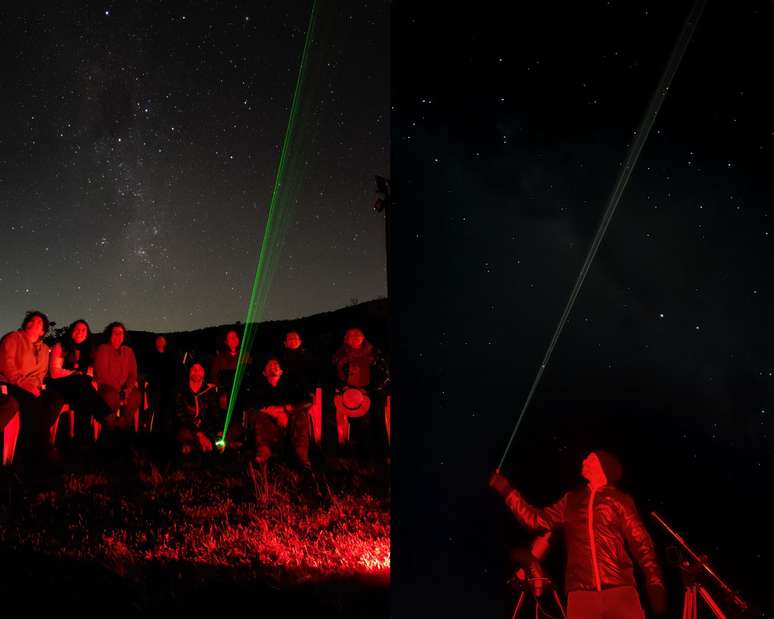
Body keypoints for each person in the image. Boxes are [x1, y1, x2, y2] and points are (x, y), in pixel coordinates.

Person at [489, 452, 667, 619]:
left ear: (603, 468)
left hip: (620, 592)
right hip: (581, 598)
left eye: (590, 460)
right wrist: (506, 491)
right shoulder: (571, 501)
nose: (583, 462)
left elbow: (641, 542)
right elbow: (535, 519)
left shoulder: (619, 500)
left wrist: (655, 582)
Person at [0, 311, 64, 461]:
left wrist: (36, 388)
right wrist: (26, 385)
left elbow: (41, 374)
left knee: (56, 399)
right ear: (25, 324)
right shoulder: (13, 338)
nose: (34, 323)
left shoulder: (44, 350)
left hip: (32, 387)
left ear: (43, 331)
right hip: (10, 382)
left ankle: (29, 438)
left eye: (39, 322)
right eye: (31, 320)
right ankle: (43, 448)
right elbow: (6, 365)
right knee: (31, 400)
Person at [47, 319, 112, 436]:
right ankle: (109, 419)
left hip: (80, 389)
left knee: (83, 394)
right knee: (82, 384)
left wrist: (82, 375)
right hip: (60, 386)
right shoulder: (61, 346)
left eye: (83, 330)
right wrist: (76, 374)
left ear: (87, 334)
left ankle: (82, 439)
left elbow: (90, 373)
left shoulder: (88, 351)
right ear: (71, 331)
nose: (80, 332)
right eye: (77, 329)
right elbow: (54, 372)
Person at [248, 357, 312, 470]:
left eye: (276, 365)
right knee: (260, 415)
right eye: (269, 366)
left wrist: (287, 410)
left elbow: (307, 400)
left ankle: (301, 455)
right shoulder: (258, 388)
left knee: (301, 415)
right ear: (264, 373)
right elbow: (253, 403)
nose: (273, 367)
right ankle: (264, 451)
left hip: (289, 417)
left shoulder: (291, 386)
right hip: (268, 417)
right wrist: (274, 412)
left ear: (281, 372)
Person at [93, 322, 140, 430]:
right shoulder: (103, 348)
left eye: (120, 333)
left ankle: (124, 423)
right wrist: (118, 388)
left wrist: (128, 388)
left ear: (124, 336)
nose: (118, 336)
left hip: (124, 388)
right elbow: (102, 373)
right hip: (106, 386)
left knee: (136, 395)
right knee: (111, 396)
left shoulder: (129, 351)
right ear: (109, 334)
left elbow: (133, 373)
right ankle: (110, 428)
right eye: (115, 333)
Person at [174, 362, 219, 455]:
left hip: (206, 429)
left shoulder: (209, 392)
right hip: (187, 429)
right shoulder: (181, 391)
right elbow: (180, 417)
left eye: (200, 370)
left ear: (204, 373)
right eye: (194, 369)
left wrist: (218, 434)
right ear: (189, 372)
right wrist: (199, 434)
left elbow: (214, 415)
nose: (196, 372)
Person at [145, 334, 183, 435]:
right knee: (158, 399)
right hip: (156, 385)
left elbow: (175, 372)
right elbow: (149, 373)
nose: (160, 342)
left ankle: (168, 427)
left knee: (170, 399)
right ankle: (156, 428)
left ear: (165, 343)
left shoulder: (170, 356)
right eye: (158, 340)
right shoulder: (151, 356)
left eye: (162, 340)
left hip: (169, 385)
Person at [209, 328, 252, 413]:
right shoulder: (220, 358)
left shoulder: (245, 355)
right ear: (226, 342)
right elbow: (214, 376)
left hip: (242, 393)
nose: (234, 339)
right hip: (226, 394)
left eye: (235, 336)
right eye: (231, 337)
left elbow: (249, 374)